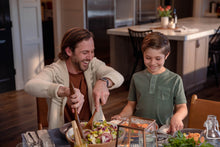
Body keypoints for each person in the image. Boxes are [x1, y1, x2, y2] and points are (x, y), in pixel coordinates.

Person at [25, 27, 124, 129]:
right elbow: (30, 86)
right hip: (63, 135)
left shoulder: (93, 64)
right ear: (69, 51)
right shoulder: (54, 70)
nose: (90, 57)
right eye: (85, 52)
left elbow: (118, 76)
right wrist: (65, 91)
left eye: (92, 51)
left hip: (94, 129)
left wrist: (104, 82)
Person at [112, 32, 188, 134]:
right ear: (143, 54)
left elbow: (182, 107)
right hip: (139, 129)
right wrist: (121, 116)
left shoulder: (175, 79)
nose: (152, 63)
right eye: (148, 58)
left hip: (164, 130)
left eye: (158, 58)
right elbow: (131, 105)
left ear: (166, 55)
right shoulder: (136, 78)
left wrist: (177, 117)